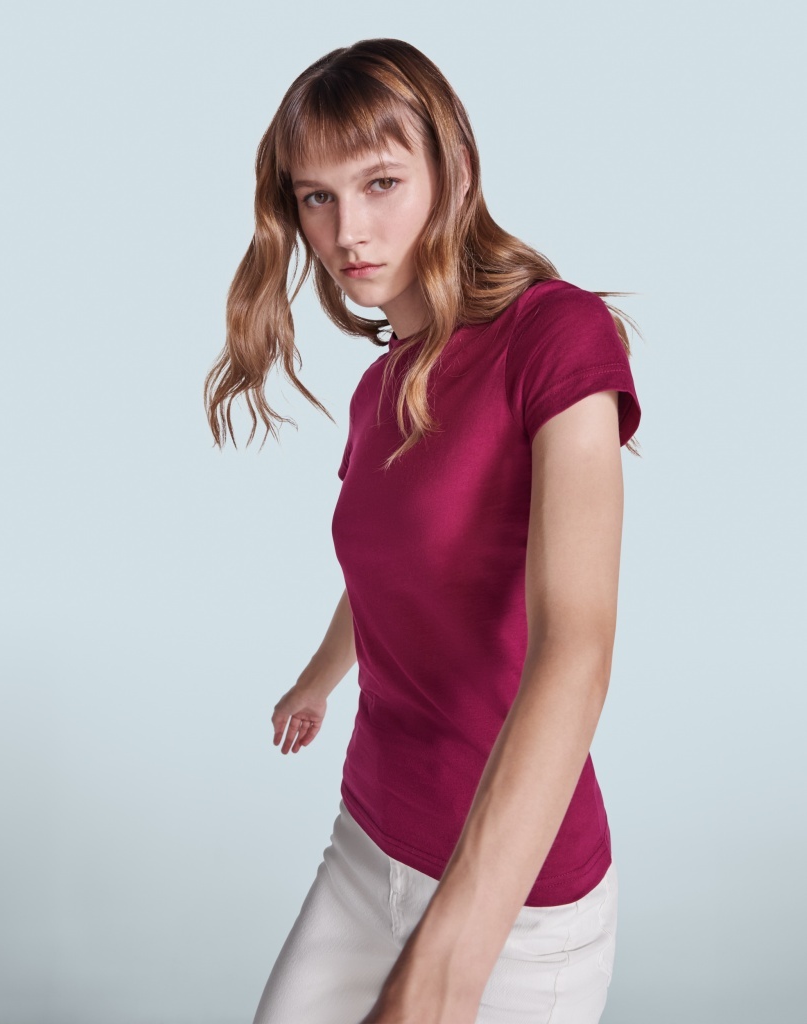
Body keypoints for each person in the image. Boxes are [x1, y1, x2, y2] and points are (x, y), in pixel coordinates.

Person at [205, 37, 642, 1024]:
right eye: (316, 197)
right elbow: (387, 571)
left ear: (455, 170)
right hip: (367, 845)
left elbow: (577, 647)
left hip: (515, 902)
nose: (347, 229)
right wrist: (318, 678)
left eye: (381, 182)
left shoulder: (556, 337)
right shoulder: (376, 392)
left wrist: (444, 969)